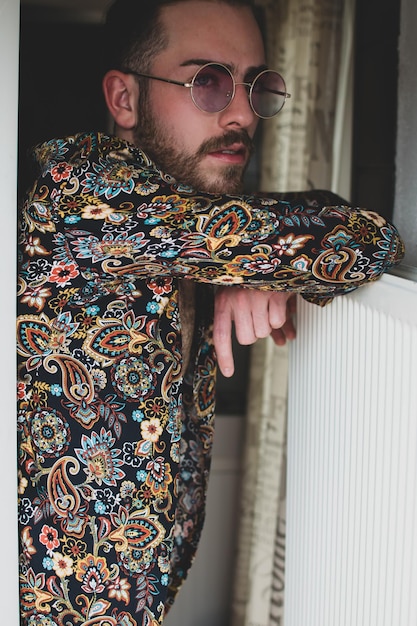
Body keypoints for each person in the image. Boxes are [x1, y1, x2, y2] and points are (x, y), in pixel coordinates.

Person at [17, 1, 404, 624]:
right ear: (124, 98)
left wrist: (257, 264)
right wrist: (268, 257)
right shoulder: (84, 189)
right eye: (208, 82)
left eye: (256, 85)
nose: (243, 113)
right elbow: (365, 238)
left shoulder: (193, 241)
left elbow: (344, 239)